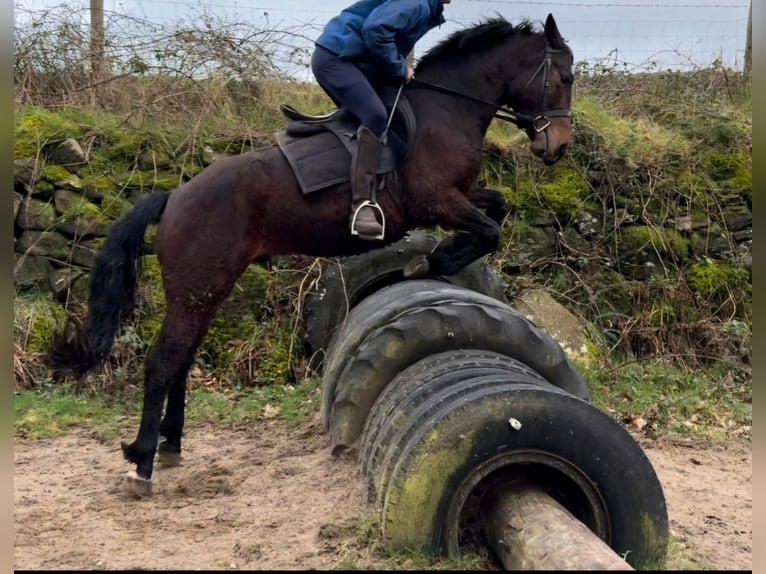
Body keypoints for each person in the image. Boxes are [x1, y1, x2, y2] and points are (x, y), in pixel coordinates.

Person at [311, 0, 451, 241]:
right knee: (375, 115)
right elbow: (376, 29)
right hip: (338, 59)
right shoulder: (418, 3)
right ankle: (361, 204)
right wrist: (399, 68)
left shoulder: (428, 6)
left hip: (354, 60)